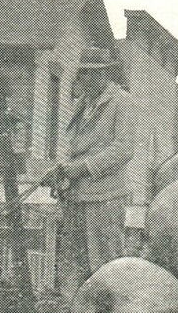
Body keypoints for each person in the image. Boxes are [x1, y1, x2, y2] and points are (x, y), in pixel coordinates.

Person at [52, 46, 139, 298]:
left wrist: (81, 168)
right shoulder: (82, 104)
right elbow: (74, 148)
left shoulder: (123, 102)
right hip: (77, 196)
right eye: (83, 73)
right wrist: (62, 170)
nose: (86, 79)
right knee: (73, 265)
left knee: (105, 263)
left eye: (92, 73)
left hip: (106, 197)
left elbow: (123, 149)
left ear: (105, 75)